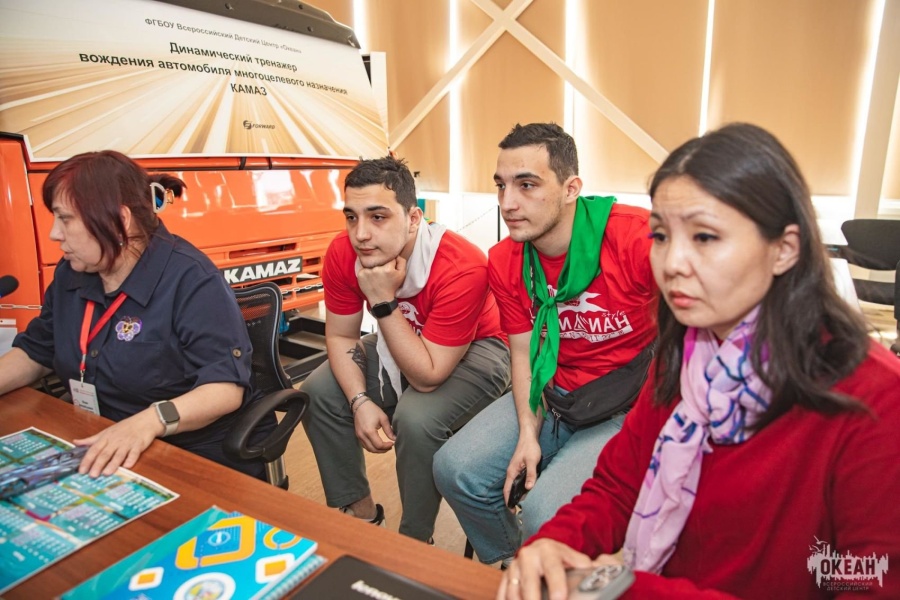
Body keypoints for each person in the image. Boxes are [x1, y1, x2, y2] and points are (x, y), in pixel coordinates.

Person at [498, 123, 900, 599]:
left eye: (705, 237)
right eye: (661, 236)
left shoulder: (875, 401)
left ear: (784, 250)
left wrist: (624, 589)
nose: (671, 263)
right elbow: (618, 486)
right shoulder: (686, 354)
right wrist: (555, 543)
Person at [433, 123, 658, 565]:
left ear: (571, 188)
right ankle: (517, 567)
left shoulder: (637, 239)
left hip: (625, 405)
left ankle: (544, 570)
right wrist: (527, 432)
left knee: (545, 513)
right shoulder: (505, 259)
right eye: (501, 186)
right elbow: (522, 353)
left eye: (527, 185)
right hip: (552, 394)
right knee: (454, 470)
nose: (507, 203)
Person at [0, 150, 275, 479]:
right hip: (103, 437)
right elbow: (37, 349)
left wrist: (148, 422)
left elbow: (225, 389)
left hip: (193, 451)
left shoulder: (191, 279)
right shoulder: (72, 272)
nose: (54, 234)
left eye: (66, 219)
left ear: (119, 221)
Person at [300, 156, 510, 542]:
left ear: (413, 219)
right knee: (318, 391)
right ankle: (361, 515)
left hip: (481, 346)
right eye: (351, 217)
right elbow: (342, 336)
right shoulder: (344, 252)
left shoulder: (462, 265)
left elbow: (428, 377)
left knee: (415, 418)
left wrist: (383, 302)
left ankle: (413, 541)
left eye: (378, 217)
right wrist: (360, 402)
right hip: (401, 335)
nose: (361, 234)